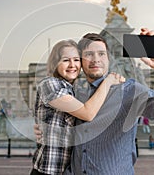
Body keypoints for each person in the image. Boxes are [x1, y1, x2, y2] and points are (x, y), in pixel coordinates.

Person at [35, 28, 154, 174]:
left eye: (101, 54)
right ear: (80, 61)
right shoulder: (74, 94)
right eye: (88, 54)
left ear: (109, 59)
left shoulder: (130, 91)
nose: (96, 59)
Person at [31, 40, 123, 175]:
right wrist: (108, 81)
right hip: (49, 170)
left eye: (76, 60)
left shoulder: (74, 89)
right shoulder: (49, 84)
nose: (72, 65)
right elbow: (87, 113)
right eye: (65, 60)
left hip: (69, 170)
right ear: (55, 63)